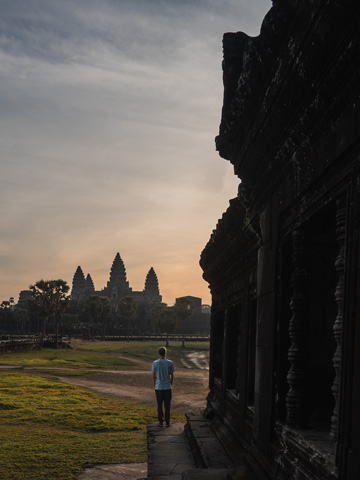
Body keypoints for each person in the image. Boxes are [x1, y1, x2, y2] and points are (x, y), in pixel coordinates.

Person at [152, 346, 174, 427]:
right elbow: (172, 375)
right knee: (167, 406)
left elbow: (154, 376)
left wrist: (155, 385)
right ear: (165, 353)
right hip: (167, 387)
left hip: (159, 387)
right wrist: (170, 384)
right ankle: (167, 422)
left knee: (159, 405)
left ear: (159, 353)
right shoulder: (170, 363)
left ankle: (160, 422)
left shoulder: (155, 363)